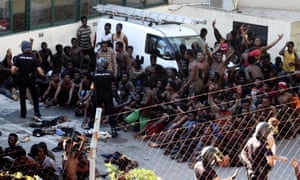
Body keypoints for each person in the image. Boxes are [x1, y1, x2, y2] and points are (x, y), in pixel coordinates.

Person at [11, 40, 45, 119]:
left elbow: (13, 69)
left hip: (22, 79)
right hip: (31, 79)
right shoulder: (33, 58)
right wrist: (43, 76)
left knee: (22, 97)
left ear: (22, 49)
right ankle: (37, 112)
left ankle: (23, 114)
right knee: (34, 96)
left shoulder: (18, 57)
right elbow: (39, 71)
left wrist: (16, 74)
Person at [91, 57, 118, 137]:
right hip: (108, 95)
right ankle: (113, 130)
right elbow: (114, 82)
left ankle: (91, 128)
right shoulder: (110, 73)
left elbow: (93, 85)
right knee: (111, 113)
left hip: (98, 95)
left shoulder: (94, 74)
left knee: (95, 112)